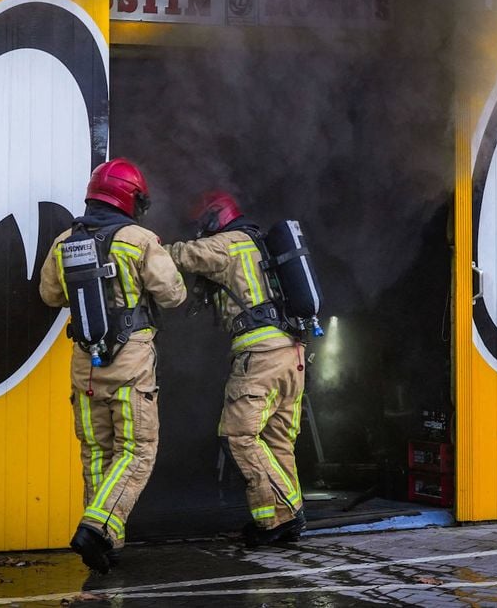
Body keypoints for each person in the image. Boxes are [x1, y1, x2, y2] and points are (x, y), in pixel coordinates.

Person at [38, 158, 187, 574]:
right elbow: (174, 294)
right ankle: (97, 526)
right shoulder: (138, 239)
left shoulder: (66, 240)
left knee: (98, 453)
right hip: (131, 363)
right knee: (137, 450)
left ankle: (107, 543)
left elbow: (49, 295)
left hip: (85, 364)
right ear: (130, 198)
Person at [166, 191, 307, 547]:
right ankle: (275, 522)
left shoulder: (229, 244)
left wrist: (148, 248)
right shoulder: (259, 245)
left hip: (259, 357)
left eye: (203, 226)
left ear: (214, 220)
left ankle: (287, 511)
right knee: (277, 441)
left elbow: (184, 256)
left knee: (238, 435)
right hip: (291, 354)